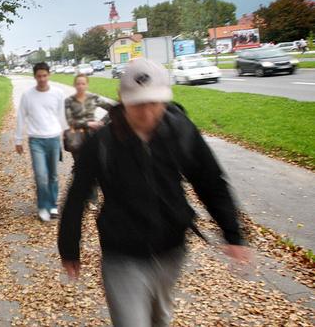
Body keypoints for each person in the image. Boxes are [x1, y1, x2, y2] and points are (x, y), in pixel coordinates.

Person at [58, 58, 251, 327]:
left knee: (159, 318)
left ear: (165, 99)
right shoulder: (102, 143)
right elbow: (77, 195)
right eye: (138, 104)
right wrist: (69, 246)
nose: (147, 113)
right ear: (123, 99)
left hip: (171, 250)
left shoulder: (181, 130)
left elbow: (210, 181)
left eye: (154, 103)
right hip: (121, 252)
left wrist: (233, 233)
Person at [15, 62, 67, 221]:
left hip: (53, 139)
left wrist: (65, 133)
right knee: (40, 175)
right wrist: (18, 139)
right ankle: (43, 206)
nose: (42, 79)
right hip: (36, 140)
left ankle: (52, 205)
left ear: (49, 75)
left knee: (52, 175)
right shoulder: (27, 95)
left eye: (45, 75)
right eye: (39, 76)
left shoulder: (58, 93)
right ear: (35, 76)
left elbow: (61, 115)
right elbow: (21, 116)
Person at [64, 74, 115, 206]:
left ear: (87, 85)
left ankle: (92, 197)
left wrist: (102, 122)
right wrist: (88, 123)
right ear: (75, 85)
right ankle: (85, 197)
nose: (81, 86)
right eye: (78, 83)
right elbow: (70, 120)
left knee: (96, 163)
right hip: (77, 137)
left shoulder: (94, 98)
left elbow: (113, 110)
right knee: (81, 166)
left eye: (83, 83)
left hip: (93, 137)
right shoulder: (69, 101)